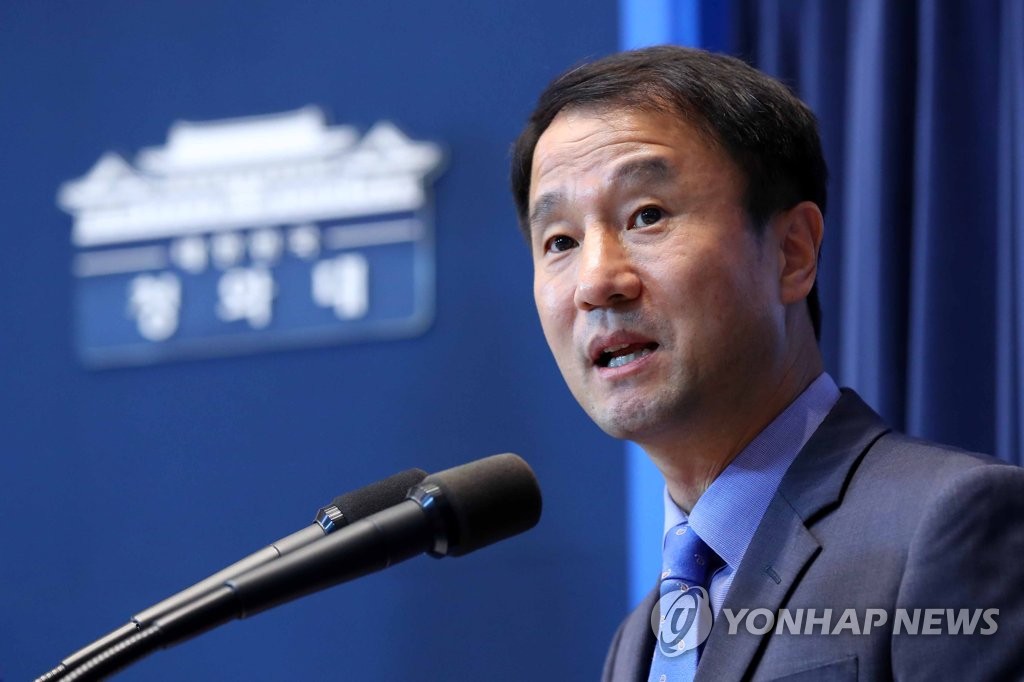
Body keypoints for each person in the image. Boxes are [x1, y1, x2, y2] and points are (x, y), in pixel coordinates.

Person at [510, 46, 1024, 681]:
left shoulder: (948, 524)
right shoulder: (637, 644)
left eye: (647, 216)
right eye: (560, 241)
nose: (596, 282)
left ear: (792, 253)